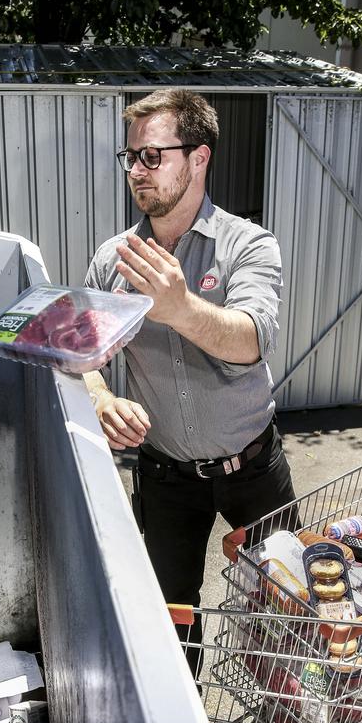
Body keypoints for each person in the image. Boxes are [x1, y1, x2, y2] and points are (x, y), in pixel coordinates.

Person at [84, 88, 297, 674]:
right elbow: (82, 359)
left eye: (153, 156)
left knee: (283, 615)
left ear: (198, 158)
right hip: (165, 477)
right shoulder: (114, 261)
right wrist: (100, 398)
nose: (137, 170)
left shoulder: (247, 245)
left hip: (253, 471)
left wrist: (178, 306)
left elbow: (251, 338)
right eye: (130, 157)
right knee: (169, 624)